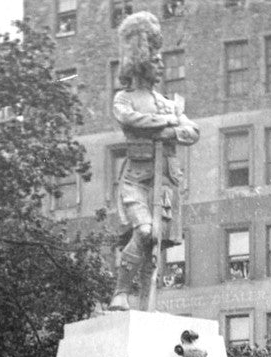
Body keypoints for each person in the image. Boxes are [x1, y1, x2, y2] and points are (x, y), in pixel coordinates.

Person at [108, 11, 199, 311]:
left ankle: (147, 305)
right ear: (141, 62)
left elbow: (192, 132)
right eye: (156, 60)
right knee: (144, 231)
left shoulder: (168, 103)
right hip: (136, 180)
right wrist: (167, 125)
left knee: (156, 242)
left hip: (164, 182)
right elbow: (129, 120)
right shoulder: (125, 98)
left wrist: (171, 128)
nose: (161, 65)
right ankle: (121, 293)